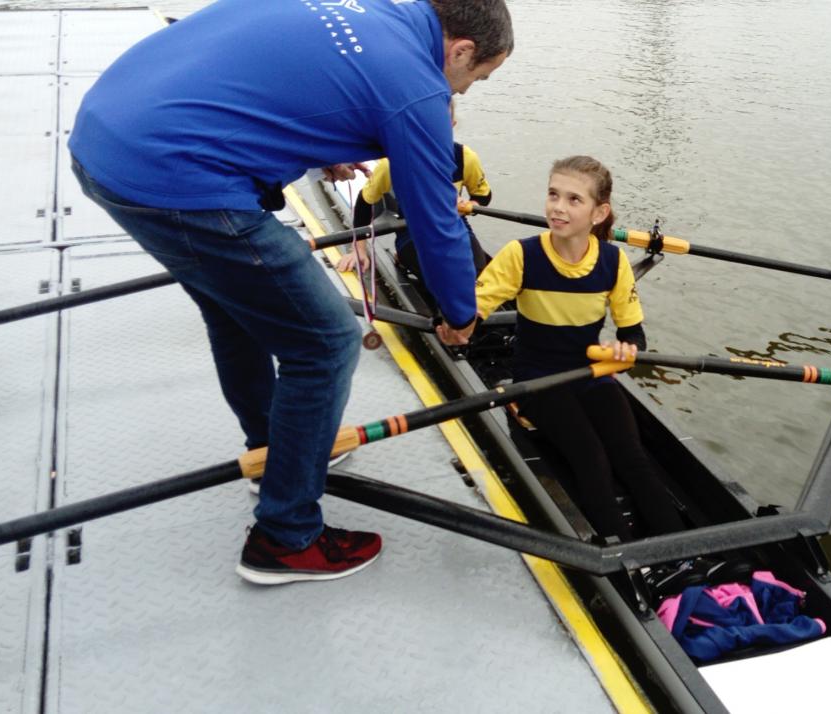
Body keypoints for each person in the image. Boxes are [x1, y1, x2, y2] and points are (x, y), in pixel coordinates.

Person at [67, 0, 513, 585]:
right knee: (327, 342)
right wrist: (459, 312)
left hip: (105, 137)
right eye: (478, 77)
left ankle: (274, 452)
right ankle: (286, 536)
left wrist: (326, 145)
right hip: (172, 173)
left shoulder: (370, 11)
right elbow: (435, 221)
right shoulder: (418, 88)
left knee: (238, 313)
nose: (467, 90)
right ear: (461, 50)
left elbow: (278, 80)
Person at [474, 156, 687, 544]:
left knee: (632, 457)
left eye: (574, 200)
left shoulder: (613, 262)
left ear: (598, 213)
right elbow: (471, 310)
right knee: (590, 457)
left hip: (590, 372)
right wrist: (457, 324)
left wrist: (624, 351)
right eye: (553, 195)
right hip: (537, 377)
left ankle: (684, 550)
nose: (558, 207)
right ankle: (624, 558)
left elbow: (635, 336)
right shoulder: (521, 255)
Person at [339, 100, 494, 313]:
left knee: (480, 278)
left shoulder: (465, 157)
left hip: (455, 225)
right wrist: (359, 249)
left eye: (439, 123)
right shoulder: (392, 162)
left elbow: (483, 196)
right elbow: (365, 203)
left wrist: (469, 204)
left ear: (451, 124)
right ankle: (405, 260)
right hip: (412, 230)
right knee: (445, 282)